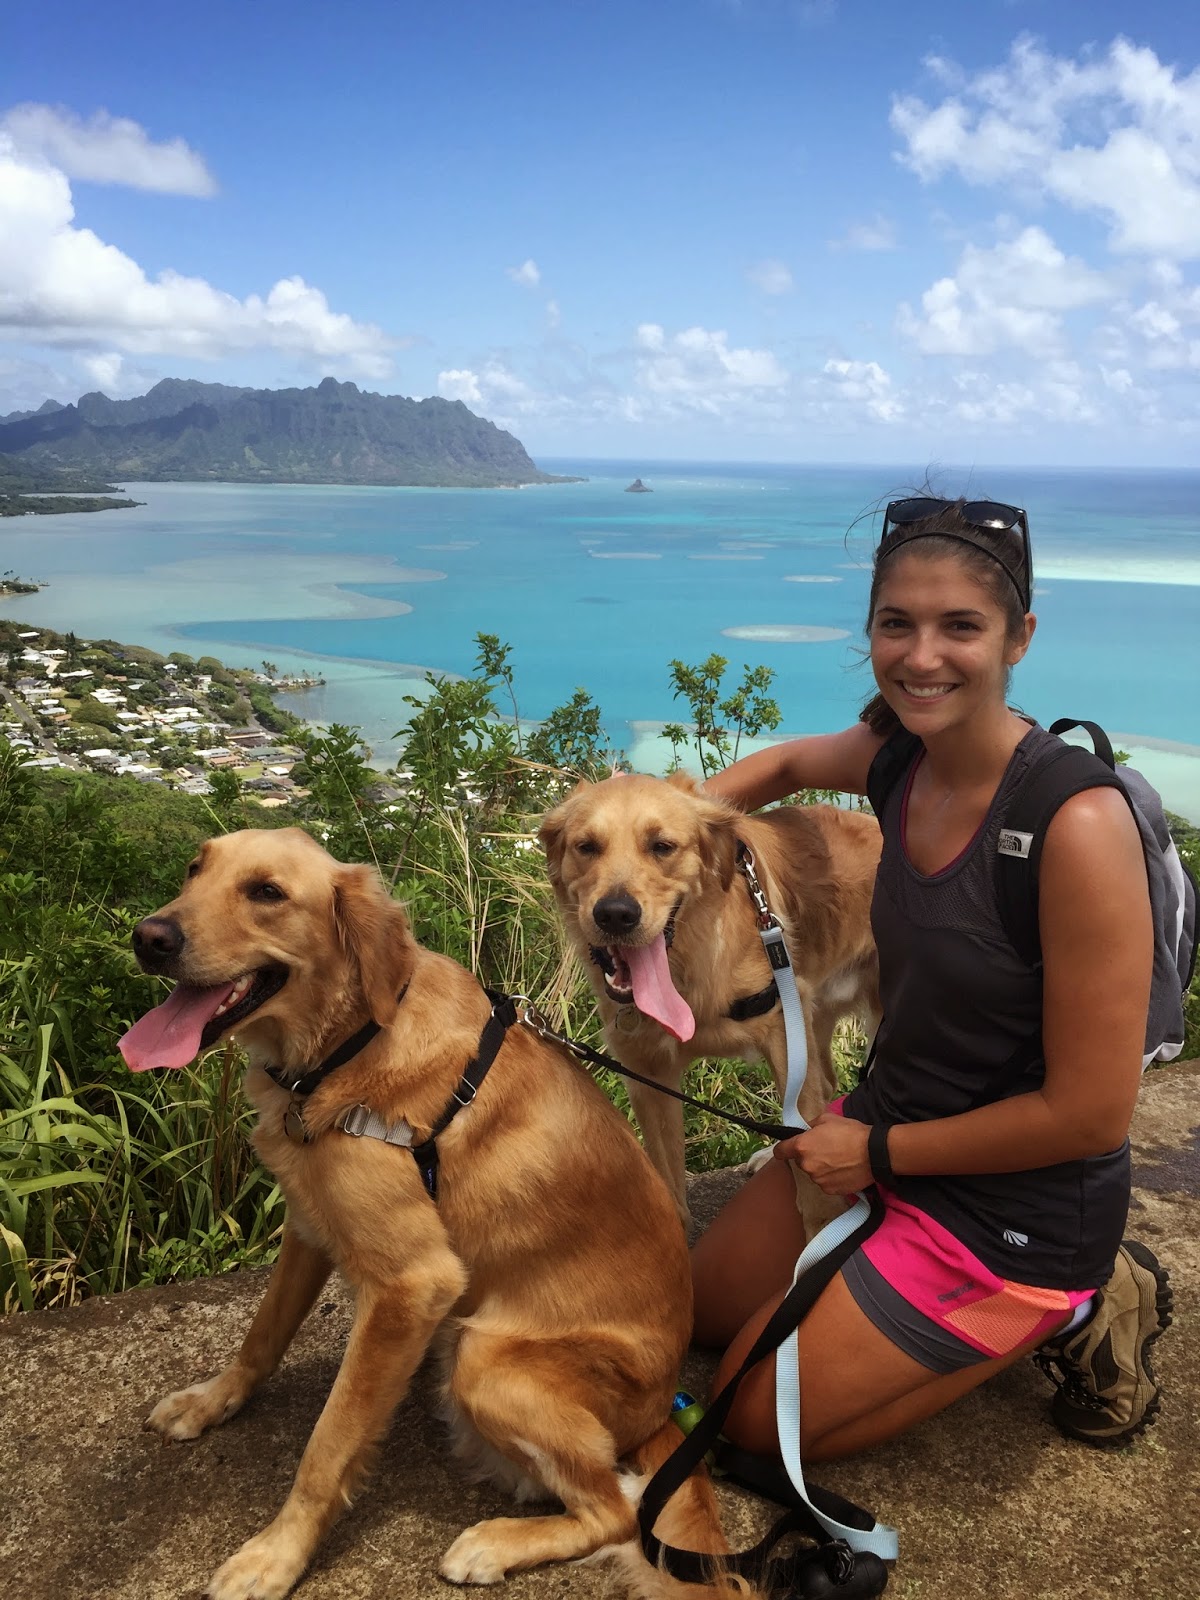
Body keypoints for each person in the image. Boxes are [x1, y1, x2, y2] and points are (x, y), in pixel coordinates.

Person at [694, 496, 1173, 1466]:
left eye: (961, 626)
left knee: (747, 1420)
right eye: (896, 624)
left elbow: (1089, 1115)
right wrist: (658, 839)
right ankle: (891, 1285)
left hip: (1013, 1209)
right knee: (692, 1312)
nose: (922, 656)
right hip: (890, 1132)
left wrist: (880, 1152)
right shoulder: (900, 761)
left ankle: (1082, 1300)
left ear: (1020, 636)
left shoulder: (1073, 825)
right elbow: (788, 760)